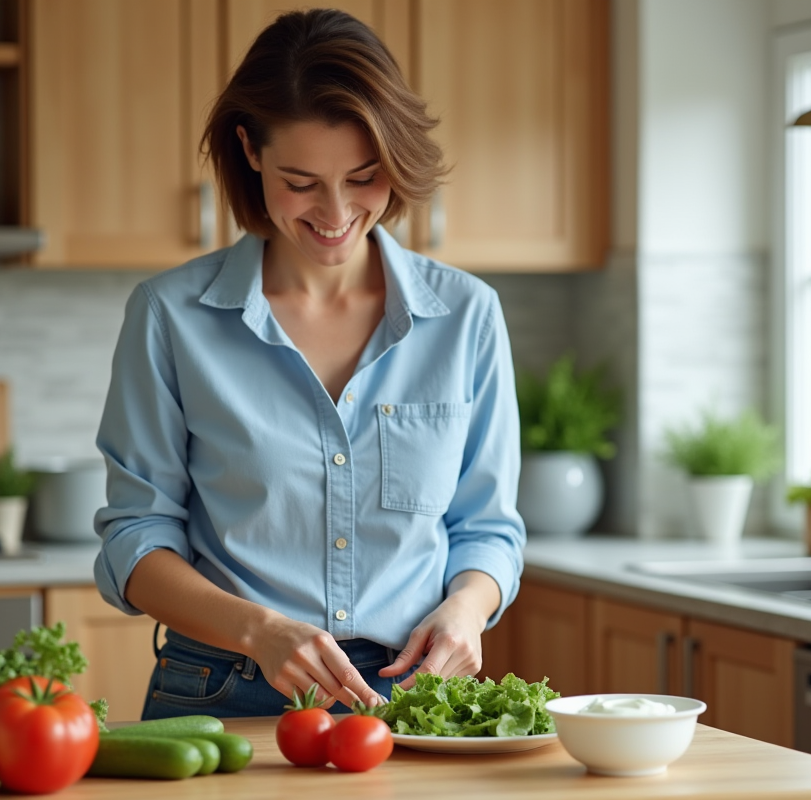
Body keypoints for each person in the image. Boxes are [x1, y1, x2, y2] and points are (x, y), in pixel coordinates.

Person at [93, 8, 525, 720]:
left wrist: (468, 610)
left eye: (363, 177)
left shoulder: (467, 316)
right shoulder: (171, 316)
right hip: (223, 688)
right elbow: (137, 538)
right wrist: (258, 630)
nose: (335, 212)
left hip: (415, 696)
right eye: (301, 181)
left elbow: (488, 529)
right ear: (250, 151)